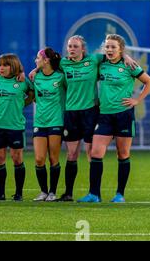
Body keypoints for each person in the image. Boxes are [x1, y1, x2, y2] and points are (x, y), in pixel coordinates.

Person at [29, 35, 138, 202]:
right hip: (71, 113)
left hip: (90, 112)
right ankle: (68, 194)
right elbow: (46, 63)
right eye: (69, 46)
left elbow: (114, 54)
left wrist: (126, 56)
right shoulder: (63, 64)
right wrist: (35, 69)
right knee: (71, 154)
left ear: (83, 49)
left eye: (75, 46)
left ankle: (94, 193)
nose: (71, 49)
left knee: (90, 153)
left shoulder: (94, 60)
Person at [77, 34, 150, 203]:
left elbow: (149, 82)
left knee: (123, 154)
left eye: (113, 47)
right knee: (95, 153)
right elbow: (81, 62)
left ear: (121, 49)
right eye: (107, 47)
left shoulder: (129, 65)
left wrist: (137, 100)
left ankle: (120, 194)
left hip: (124, 115)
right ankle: (94, 194)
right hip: (104, 115)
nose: (110, 50)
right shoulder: (101, 64)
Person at [0, 54, 34, 201]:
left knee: (17, 159)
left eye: (5, 65)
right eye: (0, 65)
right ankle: (1, 193)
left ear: (13, 66)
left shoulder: (22, 81)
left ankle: (19, 194)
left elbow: (32, 93)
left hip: (15, 126)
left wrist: (23, 103)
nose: (1, 68)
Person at [28, 47, 65, 202]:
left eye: (38, 57)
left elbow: (65, 64)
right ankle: (43, 192)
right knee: (39, 159)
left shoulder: (61, 77)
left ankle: (52, 192)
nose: (35, 60)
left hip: (56, 121)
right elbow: (32, 96)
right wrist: (36, 69)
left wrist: (37, 67)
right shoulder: (35, 78)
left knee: (53, 158)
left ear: (46, 60)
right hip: (40, 121)